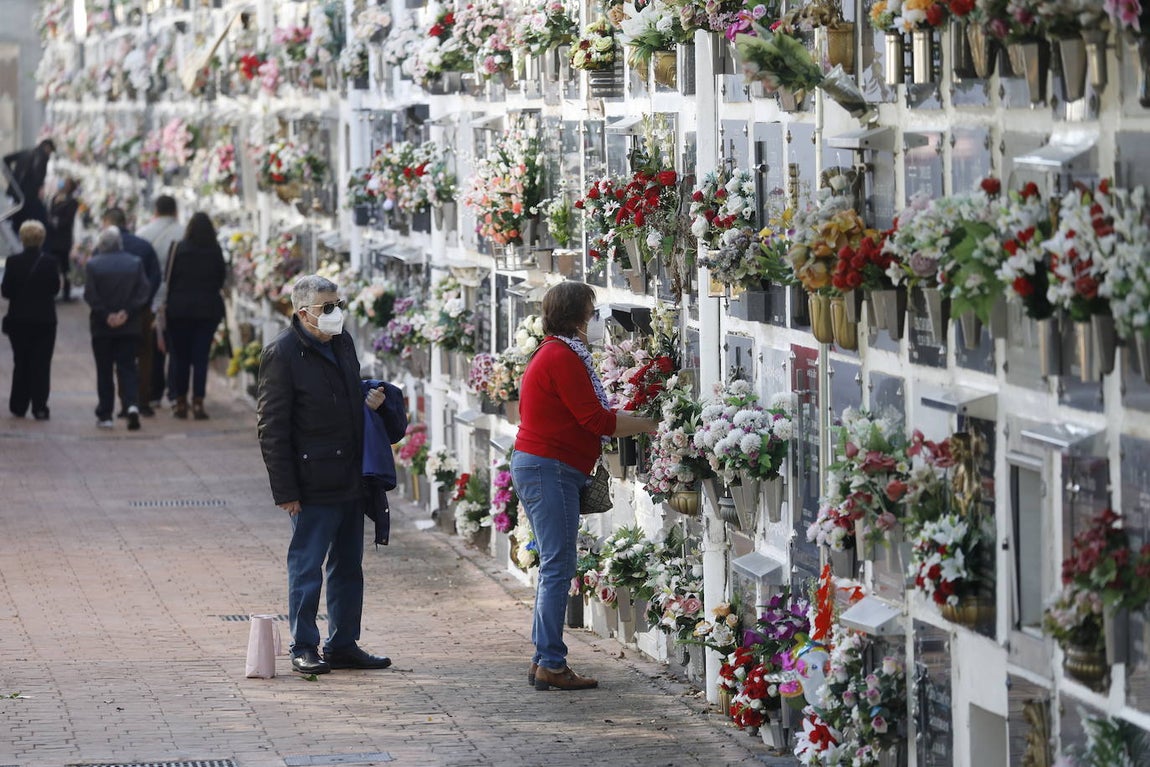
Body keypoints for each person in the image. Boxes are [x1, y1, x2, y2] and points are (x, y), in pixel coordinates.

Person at [511, 281, 659, 692]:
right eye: (592, 313)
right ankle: (552, 664)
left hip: (548, 466)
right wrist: (652, 422)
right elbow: (597, 420)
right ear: (578, 316)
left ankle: (544, 658)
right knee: (559, 566)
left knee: (555, 565)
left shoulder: (560, 352)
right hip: (549, 467)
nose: (596, 321)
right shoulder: (561, 356)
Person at [256, 274, 397, 676]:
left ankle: (343, 643)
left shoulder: (342, 342)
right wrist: (285, 490)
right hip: (312, 480)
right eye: (328, 307)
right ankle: (304, 645)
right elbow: (272, 427)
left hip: (351, 475)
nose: (337, 313)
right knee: (307, 566)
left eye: (338, 304)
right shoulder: (281, 354)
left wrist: (367, 401)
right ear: (303, 313)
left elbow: (343, 395)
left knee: (348, 565)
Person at [83, 226, 151, 431]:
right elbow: (143, 292)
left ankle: (106, 413)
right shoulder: (134, 263)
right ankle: (131, 405)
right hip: (128, 326)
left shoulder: (93, 265)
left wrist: (107, 315)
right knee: (128, 367)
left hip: (102, 327)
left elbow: (90, 295)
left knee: (104, 370)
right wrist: (126, 313)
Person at [162, 212, 225, 420]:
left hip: (179, 310)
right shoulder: (215, 251)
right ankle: (198, 402)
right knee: (200, 357)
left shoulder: (178, 249)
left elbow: (168, 278)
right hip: (207, 310)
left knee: (180, 357)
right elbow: (221, 279)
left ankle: (180, 402)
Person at [102, 207, 161, 416]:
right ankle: (143, 401)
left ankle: (126, 402)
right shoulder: (143, 246)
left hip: (114, 310)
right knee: (145, 354)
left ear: (108, 223)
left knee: (121, 356)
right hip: (141, 310)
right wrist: (144, 300)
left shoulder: (105, 247)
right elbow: (156, 276)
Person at [1, 221, 60, 420]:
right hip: (45, 320)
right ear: (41, 239)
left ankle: (18, 404)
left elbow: (6, 291)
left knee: (22, 361)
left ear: (22, 238)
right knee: (42, 364)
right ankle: (40, 406)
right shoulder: (50, 262)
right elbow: (55, 289)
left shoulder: (13, 262)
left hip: (19, 319)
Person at [136, 195, 182, 410]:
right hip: (174, 296)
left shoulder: (143, 233)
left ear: (155, 211)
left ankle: (154, 392)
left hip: (150, 296)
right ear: (175, 211)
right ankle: (174, 392)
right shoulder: (183, 233)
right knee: (174, 347)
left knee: (152, 347)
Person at [3, 138, 55, 230]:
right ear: (47, 147)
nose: (49, 154)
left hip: (14, 193)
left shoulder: (26, 152)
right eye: (50, 152)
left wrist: (12, 179)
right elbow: (37, 178)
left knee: (10, 223)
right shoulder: (43, 157)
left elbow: (5, 159)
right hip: (27, 199)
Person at [44, 177, 79, 301]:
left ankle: (67, 293)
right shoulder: (55, 198)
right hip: (52, 238)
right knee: (53, 267)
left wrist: (55, 221)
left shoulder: (72, 201)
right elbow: (50, 212)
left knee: (65, 268)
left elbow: (68, 220)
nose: (63, 185)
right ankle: (52, 291)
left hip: (63, 239)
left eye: (66, 184)